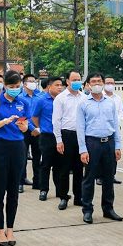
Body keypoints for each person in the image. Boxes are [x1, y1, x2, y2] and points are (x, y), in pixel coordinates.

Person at [0, 70, 30, 246]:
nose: (14, 90)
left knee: (13, 191)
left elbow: (25, 128)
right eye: (11, 87)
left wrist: (23, 126)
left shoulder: (23, 102)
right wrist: (4, 121)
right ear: (4, 85)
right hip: (0, 147)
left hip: (18, 147)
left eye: (17, 87)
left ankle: (10, 229)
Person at [77, 73, 123, 224]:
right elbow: (80, 127)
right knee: (89, 178)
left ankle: (108, 208)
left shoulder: (110, 102)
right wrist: (83, 149)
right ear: (88, 85)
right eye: (93, 82)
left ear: (103, 83)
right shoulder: (83, 103)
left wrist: (117, 145)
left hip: (108, 142)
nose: (97, 84)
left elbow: (115, 125)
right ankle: (87, 210)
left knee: (109, 177)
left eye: (99, 81)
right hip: (92, 143)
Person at [52, 70, 86, 208]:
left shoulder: (84, 97)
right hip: (66, 135)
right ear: (68, 81)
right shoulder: (61, 98)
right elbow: (56, 120)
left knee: (79, 169)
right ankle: (63, 197)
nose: (77, 81)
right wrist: (59, 140)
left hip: (80, 135)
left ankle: (79, 197)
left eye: (79, 79)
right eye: (74, 79)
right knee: (64, 168)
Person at [32, 76, 64, 203]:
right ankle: (43, 190)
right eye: (57, 85)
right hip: (47, 136)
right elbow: (34, 117)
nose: (60, 87)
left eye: (61, 85)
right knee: (45, 164)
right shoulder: (41, 100)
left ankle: (60, 190)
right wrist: (42, 127)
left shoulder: (63, 100)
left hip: (61, 136)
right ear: (49, 87)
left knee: (59, 165)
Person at [99, 76, 123, 186]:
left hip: (115, 128)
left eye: (112, 83)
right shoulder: (100, 97)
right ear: (104, 84)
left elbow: (120, 113)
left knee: (114, 153)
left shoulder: (117, 98)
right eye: (108, 83)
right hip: (103, 129)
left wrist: (114, 122)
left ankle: (111, 175)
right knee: (101, 153)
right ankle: (99, 176)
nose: (110, 85)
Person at [21, 74, 42, 190]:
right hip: (24, 130)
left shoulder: (39, 96)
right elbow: (22, 116)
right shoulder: (20, 97)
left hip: (38, 131)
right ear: (24, 84)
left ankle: (37, 182)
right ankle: (21, 181)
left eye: (34, 81)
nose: (33, 83)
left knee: (37, 156)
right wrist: (31, 128)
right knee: (22, 156)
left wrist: (37, 129)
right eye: (30, 81)